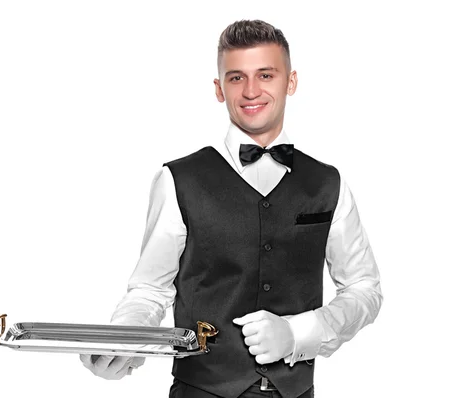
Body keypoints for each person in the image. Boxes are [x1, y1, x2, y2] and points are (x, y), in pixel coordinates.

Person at [80, 19, 382, 398]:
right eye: (236, 77)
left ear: (290, 82)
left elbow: (364, 288)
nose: (251, 90)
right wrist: (126, 341)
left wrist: (299, 333)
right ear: (219, 88)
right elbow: (150, 291)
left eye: (266, 75)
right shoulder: (178, 179)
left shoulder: (328, 183)